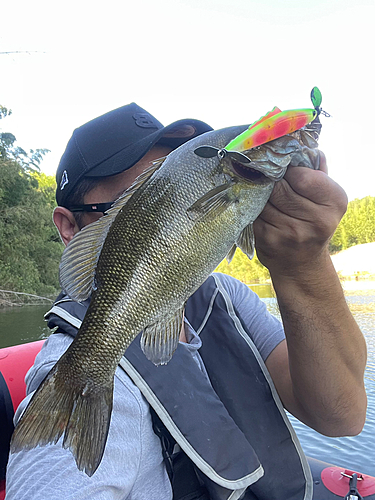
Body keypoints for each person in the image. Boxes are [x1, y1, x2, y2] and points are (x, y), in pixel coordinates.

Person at [5, 103, 367, 500]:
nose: (169, 208)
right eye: (135, 197)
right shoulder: (70, 362)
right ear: (70, 228)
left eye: (169, 180)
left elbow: (341, 416)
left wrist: (304, 262)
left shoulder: (226, 298)